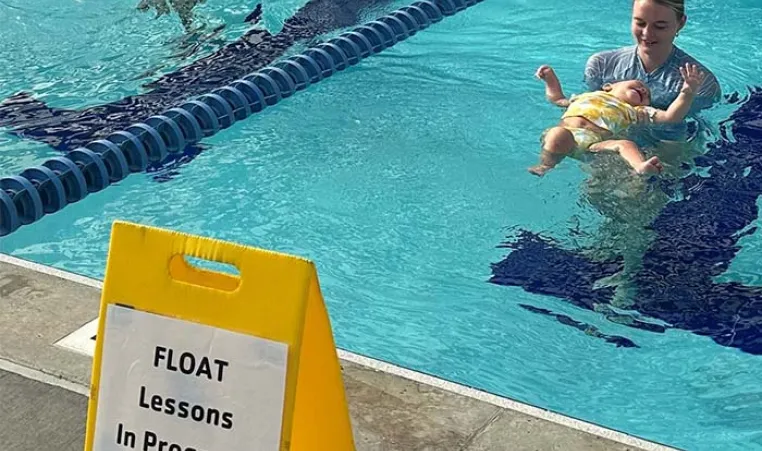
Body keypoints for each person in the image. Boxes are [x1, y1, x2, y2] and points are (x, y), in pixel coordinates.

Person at [528, 63, 706, 177]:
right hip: (568, 135)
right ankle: (545, 165)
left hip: (592, 143)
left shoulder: (635, 111)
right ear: (608, 86)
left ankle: (640, 166)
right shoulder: (585, 96)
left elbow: (670, 116)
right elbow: (557, 99)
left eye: (646, 96)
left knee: (625, 144)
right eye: (639, 85)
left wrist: (687, 92)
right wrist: (550, 79)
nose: (644, 91)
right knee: (557, 134)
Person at [583, 0, 721, 143]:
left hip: (666, 148)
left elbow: (695, 136)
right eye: (640, 23)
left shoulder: (701, 83)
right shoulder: (602, 66)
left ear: (681, 23)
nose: (647, 34)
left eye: (660, 27)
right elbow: (583, 115)